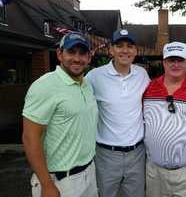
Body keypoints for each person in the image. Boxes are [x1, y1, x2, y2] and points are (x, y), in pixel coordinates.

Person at [22, 31, 99, 197]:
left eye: (82, 53)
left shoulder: (87, 85)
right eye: (71, 52)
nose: (77, 59)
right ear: (59, 54)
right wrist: (46, 184)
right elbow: (30, 137)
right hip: (60, 181)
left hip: (89, 173)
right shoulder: (45, 86)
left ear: (89, 57)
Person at [86, 29, 150, 197]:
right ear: (111, 50)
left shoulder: (142, 75)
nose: (125, 50)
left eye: (130, 46)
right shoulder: (94, 77)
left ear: (135, 52)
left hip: (137, 154)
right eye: (119, 46)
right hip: (106, 155)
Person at [143, 41, 186, 197]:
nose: (175, 64)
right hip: (154, 173)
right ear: (164, 62)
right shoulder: (148, 88)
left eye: (180, 60)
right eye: (171, 60)